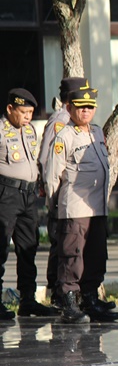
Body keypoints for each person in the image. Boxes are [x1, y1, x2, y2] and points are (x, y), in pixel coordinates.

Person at [38, 77, 116, 312]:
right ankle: (68, 300)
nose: (86, 111)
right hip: (74, 209)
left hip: (97, 209)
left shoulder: (97, 133)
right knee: (72, 256)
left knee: (96, 255)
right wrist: (55, 207)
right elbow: (52, 175)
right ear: (69, 108)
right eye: (81, 106)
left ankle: (90, 298)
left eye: (90, 107)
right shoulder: (64, 135)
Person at [0, 89, 57, 319]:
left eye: (31, 112)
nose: (28, 117)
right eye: (23, 112)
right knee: (1, 246)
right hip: (6, 194)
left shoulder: (31, 130)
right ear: (10, 109)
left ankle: (28, 300)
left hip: (29, 196)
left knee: (28, 247)